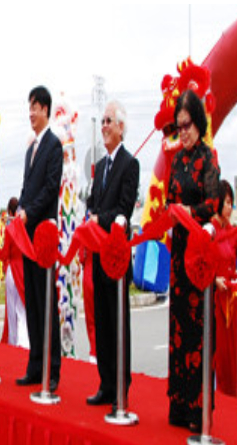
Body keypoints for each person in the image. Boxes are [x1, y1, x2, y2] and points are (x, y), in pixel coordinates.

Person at [166, 90, 220, 432]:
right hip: (178, 253)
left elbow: (214, 204)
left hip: (198, 253)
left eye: (187, 125)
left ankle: (198, 407)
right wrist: (172, 211)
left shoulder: (208, 158)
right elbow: (169, 198)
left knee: (198, 332)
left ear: (198, 123)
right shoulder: (176, 161)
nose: (183, 132)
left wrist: (190, 211)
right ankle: (179, 403)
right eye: (179, 126)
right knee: (178, 328)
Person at [85, 101, 140, 406]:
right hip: (98, 254)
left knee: (118, 323)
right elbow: (94, 202)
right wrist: (90, 218)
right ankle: (105, 383)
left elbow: (124, 209)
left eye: (109, 121)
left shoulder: (130, 164)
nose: (104, 126)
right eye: (103, 121)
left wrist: (99, 220)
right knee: (103, 323)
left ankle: (121, 385)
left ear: (121, 127)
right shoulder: (100, 166)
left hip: (117, 257)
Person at [16, 86, 63, 392]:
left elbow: (49, 189)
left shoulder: (54, 146)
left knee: (46, 301)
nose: (31, 113)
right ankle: (35, 364)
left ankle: (52, 368)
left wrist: (28, 213)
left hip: (43, 234)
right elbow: (27, 188)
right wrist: (19, 209)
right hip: (27, 236)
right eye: (29, 107)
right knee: (31, 300)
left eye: (35, 107)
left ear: (45, 109)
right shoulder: (30, 149)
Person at [211, 180, 237, 398]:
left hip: (231, 302)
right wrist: (214, 279)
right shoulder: (209, 230)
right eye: (226, 202)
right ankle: (216, 392)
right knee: (217, 351)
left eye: (231, 203)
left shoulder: (234, 233)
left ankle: (232, 394)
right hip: (214, 300)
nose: (229, 208)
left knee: (232, 353)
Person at [1, 196, 28, 349]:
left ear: (10, 212)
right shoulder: (25, 228)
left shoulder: (10, 229)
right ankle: (24, 341)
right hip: (23, 270)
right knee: (22, 308)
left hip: (12, 270)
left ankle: (14, 341)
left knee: (12, 310)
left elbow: (5, 254)